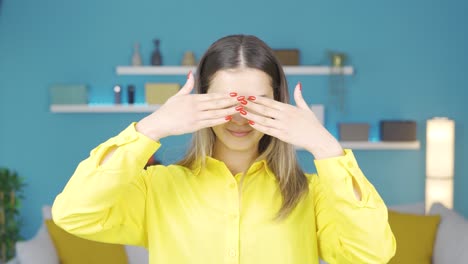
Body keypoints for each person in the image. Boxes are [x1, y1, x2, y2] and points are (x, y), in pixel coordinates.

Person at [52, 34, 396, 264]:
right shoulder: (157, 188)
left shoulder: (312, 194)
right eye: (225, 102)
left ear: (279, 104)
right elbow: (73, 213)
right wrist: (151, 127)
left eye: (257, 104)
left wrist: (325, 146)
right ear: (201, 101)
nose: (241, 118)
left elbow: (372, 253)